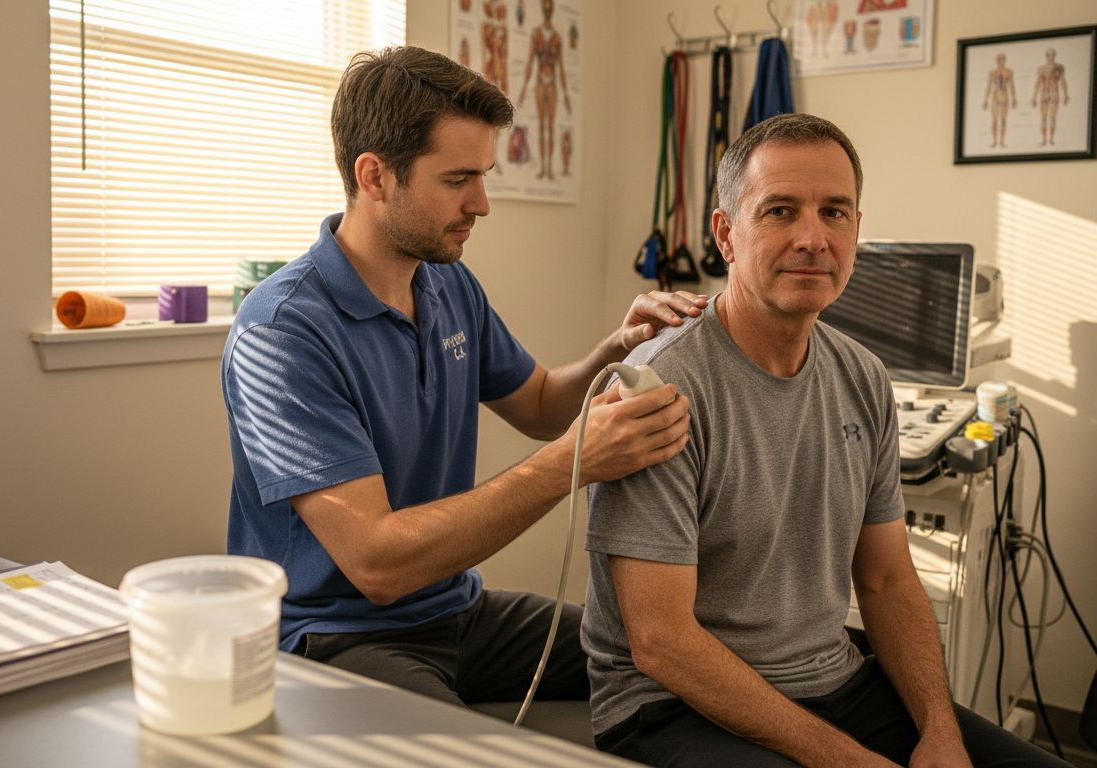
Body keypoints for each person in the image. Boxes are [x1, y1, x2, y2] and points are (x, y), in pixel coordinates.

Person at [222, 45, 702, 710]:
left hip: (459, 613)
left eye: (483, 176)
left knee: (674, 657)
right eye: (457, 180)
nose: (481, 204)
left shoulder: (447, 282)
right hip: (335, 636)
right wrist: (575, 462)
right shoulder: (280, 332)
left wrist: (613, 350)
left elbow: (537, 404)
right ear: (374, 176)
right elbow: (378, 564)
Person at [581, 113, 1068, 767]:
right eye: (780, 211)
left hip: (834, 681)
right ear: (726, 234)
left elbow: (890, 579)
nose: (813, 238)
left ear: (857, 231)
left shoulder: (861, 376)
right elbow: (661, 641)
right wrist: (848, 760)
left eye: (835, 212)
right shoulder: (664, 390)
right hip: (672, 705)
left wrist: (940, 731)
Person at [517, 0, 571, 181]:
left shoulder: (557, 37)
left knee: (551, 126)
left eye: (550, 6)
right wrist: (523, 89)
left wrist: (566, 96)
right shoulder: (536, 34)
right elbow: (530, 63)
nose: (548, 9)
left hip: (552, 84)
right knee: (541, 125)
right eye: (545, 6)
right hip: (540, 82)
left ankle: (549, 168)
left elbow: (562, 67)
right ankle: (543, 168)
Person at [1032, 48, 1069, 147]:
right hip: (1044, 93)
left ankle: (1051, 139)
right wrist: (1034, 97)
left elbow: (1063, 82)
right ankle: (1044, 140)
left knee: (1052, 117)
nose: (1050, 57)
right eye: (1049, 55)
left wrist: (1066, 95)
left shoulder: (1059, 67)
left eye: (1052, 55)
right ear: (1046, 56)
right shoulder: (1041, 68)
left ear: (1055, 56)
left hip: (1054, 93)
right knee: (1044, 118)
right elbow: (1038, 83)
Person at [983, 52, 1017, 148]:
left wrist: (1014, 98)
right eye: (998, 59)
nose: (1000, 61)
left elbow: (1011, 86)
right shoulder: (992, 72)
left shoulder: (1009, 72)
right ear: (996, 60)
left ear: (1004, 60)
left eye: (1002, 59)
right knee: (994, 120)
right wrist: (985, 100)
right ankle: (994, 141)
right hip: (995, 96)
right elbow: (989, 86)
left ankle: (1002, 141)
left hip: (1005, 97)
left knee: (1003, 119)